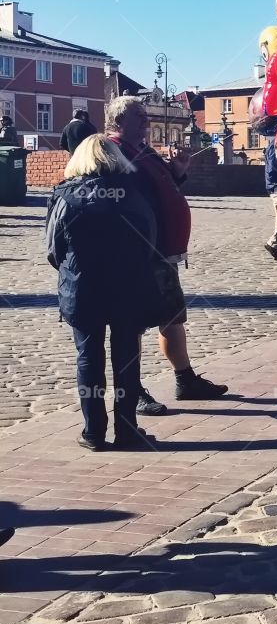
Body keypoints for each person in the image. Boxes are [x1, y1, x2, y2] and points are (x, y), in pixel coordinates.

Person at [107, 96, 228, 411]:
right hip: (135, 255)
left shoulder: (143, 150)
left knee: (171, 316)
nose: (146, 123)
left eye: (145, 117)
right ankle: (131, 390)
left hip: (161, 252)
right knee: (131, 323)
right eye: (139, 117)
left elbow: (160, 188)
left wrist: (178, 170)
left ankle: (185, 380)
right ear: (119, 122)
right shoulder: (111, 151)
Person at [46, 135, 164, 450]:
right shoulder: (134, 194)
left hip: (82, 290)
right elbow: (151, 241)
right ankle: (127, 429)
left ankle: (93, 432)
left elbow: (53, 251)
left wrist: (72, 271)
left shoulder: (64, 196)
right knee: (126, 359)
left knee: (88, 358)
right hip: (128, 287)